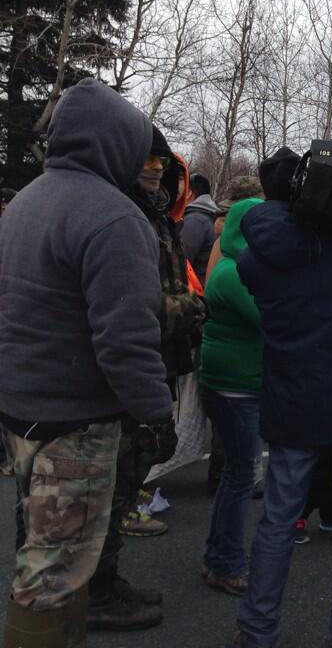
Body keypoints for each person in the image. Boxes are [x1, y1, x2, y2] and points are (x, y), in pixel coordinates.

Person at [0, 78, 174, 647]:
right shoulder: (114, 218)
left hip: (22, 415)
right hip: (75, 426)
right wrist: (155, 412)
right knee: (49, 576)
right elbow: (125, 338)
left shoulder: (24, 202)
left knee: (51, 553)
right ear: (114, 144)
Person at [233, 146, 332, 648]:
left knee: (278, 520)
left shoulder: (255, 256)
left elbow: (254, 275)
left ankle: (258, 631)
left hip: (293, 398)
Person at [87, 124, 207, 632]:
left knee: (130, 475)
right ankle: (93, 592)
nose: (156, 168)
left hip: (159, 356)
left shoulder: (159, 216)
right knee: (113, 486)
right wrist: (189, 307)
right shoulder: (122, 214)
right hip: (131, 363)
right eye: (148, 160)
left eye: (163, 162)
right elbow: (132, 302)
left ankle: (105, 580)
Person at [200, 197, 264, 597]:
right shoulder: (231, 273)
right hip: (233, 386)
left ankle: (217, 555)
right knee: (240, 477)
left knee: (235, 476)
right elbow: (269, 316)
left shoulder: (237, 267)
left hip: (238, 383)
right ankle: (225, 563)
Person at [181, 172, 219, 282]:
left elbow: (182, 261)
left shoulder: (195, 220)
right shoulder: (208, 215)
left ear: (188, 193)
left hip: (196, 290)